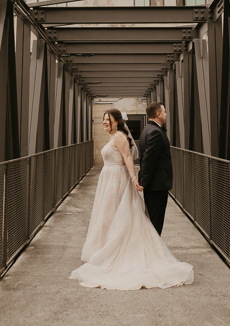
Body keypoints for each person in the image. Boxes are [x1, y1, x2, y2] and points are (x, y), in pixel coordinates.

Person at [70, 108, 193, 290]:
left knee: (113, 217)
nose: (104, 122)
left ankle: (111, 253)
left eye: (107, 119)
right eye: (103, 119)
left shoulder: (119, 136)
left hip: (117, 181)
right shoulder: (115, 136)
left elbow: (128, 157)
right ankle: (105, 250)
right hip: (110, 180)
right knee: (108, 218)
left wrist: (135, 179)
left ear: (116, 121)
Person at [136, 102, 171, 235]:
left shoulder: (147, 129)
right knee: (156, 221)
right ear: (158, 114)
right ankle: (154, 251)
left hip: (153, 184)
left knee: (152, 219)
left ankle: (152, 249)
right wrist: (144, 182)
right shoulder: (156, 132)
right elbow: (149, 160)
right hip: (157, 184)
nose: (166, 114)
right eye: (164, 111)